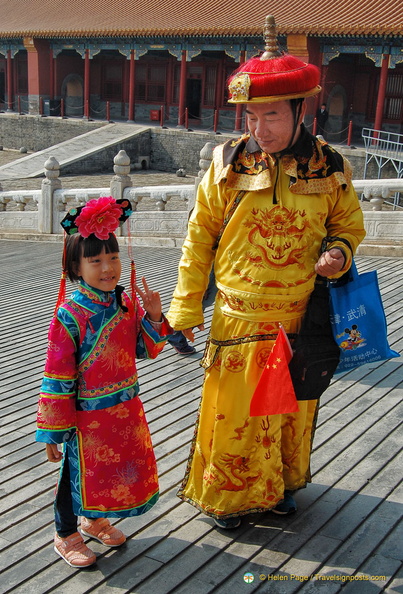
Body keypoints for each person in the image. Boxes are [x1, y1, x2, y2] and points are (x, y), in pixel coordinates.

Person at [167, 15, 365, 529]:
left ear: (301, 110)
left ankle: (278, 488)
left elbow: (347, 223)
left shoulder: (329, 166)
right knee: (235, 416)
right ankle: (229, 498)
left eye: (272, 115)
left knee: (285, 413)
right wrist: (185, 308)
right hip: (238, 316)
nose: (260, 129)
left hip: (299, 314)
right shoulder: (227, 165)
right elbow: (199, 239)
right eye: (251, 117)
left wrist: (339, 253)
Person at [36, 196, 172, 567]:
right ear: (76, 267)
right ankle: (65, 532)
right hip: (84, 414)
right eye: (95, 261)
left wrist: (155, 316)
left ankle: (93, 519)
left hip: (125, 406)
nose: (107, 267)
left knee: (110, 469)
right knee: (74, 470)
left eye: (112, 258)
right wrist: (52, 429)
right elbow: (57, 375)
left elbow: (147, 350)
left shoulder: (125, 304)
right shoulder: (70, 314)